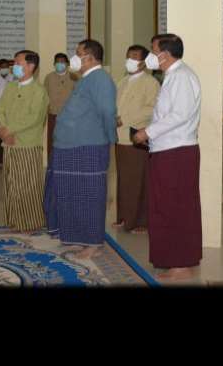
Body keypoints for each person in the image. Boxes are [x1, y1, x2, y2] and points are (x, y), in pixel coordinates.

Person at [133, 34, 202, 281]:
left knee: (176, 207)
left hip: (177, 152)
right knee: (164, 206)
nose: (151, 56)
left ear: (165, 53)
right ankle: (171, 259)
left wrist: (147, 132)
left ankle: (181, 265)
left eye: (153, 51)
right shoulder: (172, 76)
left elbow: (179, 115)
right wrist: (151, 134)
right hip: (165, 149)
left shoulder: (182, 76)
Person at [44, 39, 117, 259]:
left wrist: (110, 138)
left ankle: (93, 243)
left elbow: (108, 112)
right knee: (71, 194)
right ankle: (78, 237)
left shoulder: (101, 79)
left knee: (90, 196)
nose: (73, 58)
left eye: (78, 53)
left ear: (90, 57)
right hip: (69, 147)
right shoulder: (86, 79)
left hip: (88, 147)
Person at [0, 50, 49, 231]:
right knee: (10, 183)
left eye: (18, 63)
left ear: (30, 66)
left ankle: (30, 222)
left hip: (27, 144)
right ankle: (13, 219)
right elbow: (1, 109)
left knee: (27, 184)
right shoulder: (11, 87)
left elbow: (34, 118)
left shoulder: (39, 91)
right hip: (8, 143)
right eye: (14, 63)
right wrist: (4, 132)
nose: (14, 67)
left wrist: (10, 130)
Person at [113, 45, 160, 234]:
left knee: (138, 180)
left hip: (137, 137)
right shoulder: (122, 81)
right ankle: (124, 217)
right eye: (128, 56)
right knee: (123, 180)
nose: (129, 60)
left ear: (143, 62)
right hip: (119, 137)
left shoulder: (151, 83)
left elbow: (152, 108)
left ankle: (140, 221)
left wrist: (125, 118)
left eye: (134, 57)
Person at [43, 53, 78, 160]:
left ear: (67, 64)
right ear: (54, 63)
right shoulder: (49, 77)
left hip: (70, 117)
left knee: (69, 142)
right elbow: (45, 97)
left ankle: (69, 165)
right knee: (53, 142)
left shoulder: (74, 77)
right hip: (53, 115)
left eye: (62, 62)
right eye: (57, 62)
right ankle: (53, 165)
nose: (60, 64)